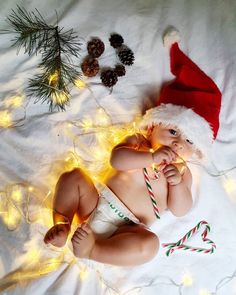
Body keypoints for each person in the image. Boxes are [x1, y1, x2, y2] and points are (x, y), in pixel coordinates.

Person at [44, 28, 222, 266]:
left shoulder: (182, 173)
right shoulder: (139, 143)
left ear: (196, 151)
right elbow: (116, 161)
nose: (178, 143)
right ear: (153, 126)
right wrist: (150, 157)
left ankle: (94, 250)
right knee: (72, 177)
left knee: (150, 246)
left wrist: (177, 185)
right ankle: (62, 223)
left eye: (189, 141)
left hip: (127, 228)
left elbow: (181, 209)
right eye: (172, 131)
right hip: (96, 202)